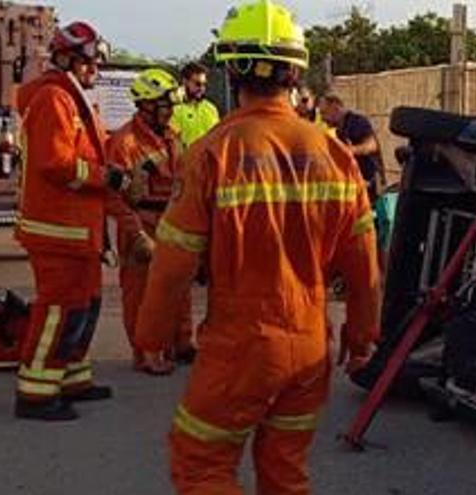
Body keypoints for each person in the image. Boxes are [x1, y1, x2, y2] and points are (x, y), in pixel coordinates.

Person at [133, 1, 381, 493]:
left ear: (231, 67)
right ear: (295, 72)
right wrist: (361, 338)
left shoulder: (213, 152)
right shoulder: (334, 153)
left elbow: (174, 263)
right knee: (286, 472)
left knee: (201, 464)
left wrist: (151, 335)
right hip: (310, 345)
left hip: (241, 344)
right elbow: (364, 266)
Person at [13, 21, 125, 421]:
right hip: (57, 228)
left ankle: (71, 375)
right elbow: (56, 163)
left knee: (86, 304)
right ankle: (37, 393)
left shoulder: (72, 98)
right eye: (91, 62)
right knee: (60, 308)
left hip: (78, 228)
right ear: (69, 59)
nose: (96, 70)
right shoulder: (53, 99)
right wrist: (104, 177)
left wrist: (108, 174)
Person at [106, 68, 194, 374]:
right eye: (164, 105)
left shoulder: (172, 137)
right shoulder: (125, 142)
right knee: (141, 292)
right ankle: (146, 351)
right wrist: (136, 234)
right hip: (141, 222)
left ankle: (182, 342)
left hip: (170, 220)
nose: (170, 111)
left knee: (178, 285)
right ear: (146, 105)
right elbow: (115, 196)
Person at [318, 93, 386, 202]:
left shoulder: (356, 122)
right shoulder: (340, 130)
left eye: (324, 113)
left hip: (371, 184)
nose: (322, 118)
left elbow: (372, 145)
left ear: (335, 107)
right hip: (358, 184)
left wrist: (350, 150)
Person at [171, 62, 220, 149]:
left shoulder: (211, 108)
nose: (201, 88)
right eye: (198, 84)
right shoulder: (174, 110)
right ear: (185, 81)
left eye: (204, 84)